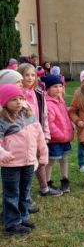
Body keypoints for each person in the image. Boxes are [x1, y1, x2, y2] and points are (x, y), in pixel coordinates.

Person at [0, 85, 48, 235]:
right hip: (11, 164)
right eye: (13, 100)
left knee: (24, 191)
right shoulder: (3, 120)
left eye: (20, 98)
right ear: (4, 102)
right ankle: (12, 224)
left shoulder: (29, 115)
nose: (19, 102)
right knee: (12, 193)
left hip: (28, 162)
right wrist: (2, 154)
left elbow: (39, 136)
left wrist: (43, 153)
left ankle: (22, 217)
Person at [18, 63, 62, 197]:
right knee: (25, 164)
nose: (30, 78)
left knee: (40, 159)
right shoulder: (17, 94)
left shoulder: (39, 94)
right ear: (20, 76)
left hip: (38, 133)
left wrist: (46, 133)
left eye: (33, 75)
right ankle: (24, 195)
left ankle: (44, 188)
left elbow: (45, 115)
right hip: (22, 134)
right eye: (27, 75)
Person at [43, 75, 74, 193]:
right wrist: (62, 135)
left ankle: (64, 180)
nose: (58, 89)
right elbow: (50, 124)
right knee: (51, 161)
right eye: (55, 86)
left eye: (60, 86)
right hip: (55, 139)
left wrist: (70, 129)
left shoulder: (60, 101)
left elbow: (65, 118)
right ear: (48, 89)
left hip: (64, 138)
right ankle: (47, 182)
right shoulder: (48, 103)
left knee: (64, 159)